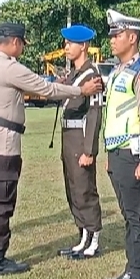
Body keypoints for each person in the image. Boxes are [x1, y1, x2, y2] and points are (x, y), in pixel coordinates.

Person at [0, 22, 103, 276]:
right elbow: (47, 88)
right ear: (14, 42)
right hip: (1, 144)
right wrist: (80, 90)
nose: (21, 48)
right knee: (0, 201)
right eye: (21, 43)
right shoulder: (10, 67)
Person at [101, 9, 140, 279]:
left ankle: (139, 272)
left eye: (117, 35)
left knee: (138, 215)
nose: (112, 40)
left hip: (135, 153)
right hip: (117, 152)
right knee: (128, 215)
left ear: (132, 38)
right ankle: (130, 268)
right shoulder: (116, 72)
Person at [55, 24, 105, 260]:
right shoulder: (74, 75)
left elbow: (94, 113)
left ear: (83, 45)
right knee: (73, 188)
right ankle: (83, 235)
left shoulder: (91, 75)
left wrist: (89, 149)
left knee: (85, 188)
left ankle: (93, 237)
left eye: (70, 43)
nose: (66, 47)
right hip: (68, 137)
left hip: (80, 136)